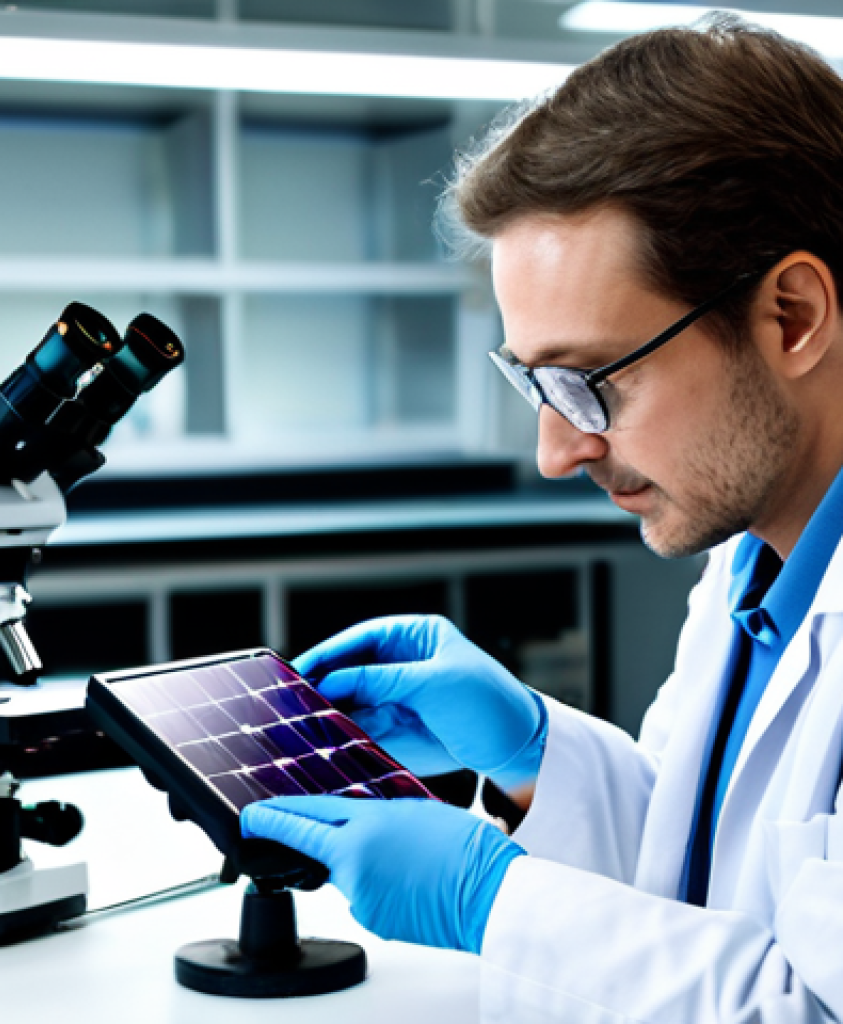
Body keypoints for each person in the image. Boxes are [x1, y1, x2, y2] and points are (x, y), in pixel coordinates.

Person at [241, 16, 843, 1022]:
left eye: (590, 381)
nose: (555, 452)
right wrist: (531, 753)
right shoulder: (753, 566)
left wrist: (493, 900)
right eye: (534, 384)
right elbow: (700, 878)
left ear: (790, 317)